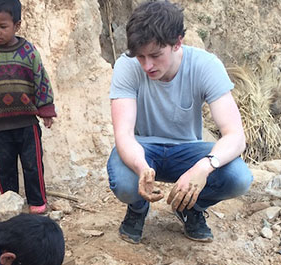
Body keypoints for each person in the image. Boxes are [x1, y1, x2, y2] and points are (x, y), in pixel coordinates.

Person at [107, 0, 253, 244]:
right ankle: (137, 207)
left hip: (188, 151)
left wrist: (204, 167)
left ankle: (190, 207)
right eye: (141, 57)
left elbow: (235, 136)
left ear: (177, 43)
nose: (147, 66)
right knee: (124, 182)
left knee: (239, 178)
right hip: (144, 149)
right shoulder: (126, 67)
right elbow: (124, 135)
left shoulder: (206, 66)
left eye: (155, 55)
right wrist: (141, 167)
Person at [0, 0, 56, 215]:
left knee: (32, 165)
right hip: (0, 127)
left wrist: (46, 109)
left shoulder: (28, 52)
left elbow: (41, 79)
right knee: (5, 169)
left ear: (17, 25)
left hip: (27, 124)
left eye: (3, 26)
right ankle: (10, 205)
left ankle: (37, 203)